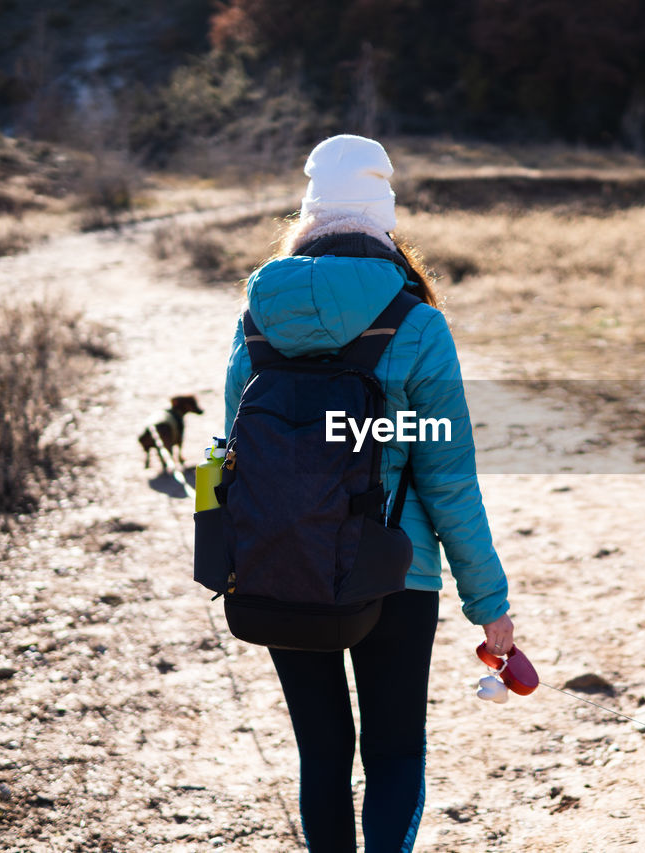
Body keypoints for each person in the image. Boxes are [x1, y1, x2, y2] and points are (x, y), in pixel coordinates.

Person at [222, 134, 515, 852]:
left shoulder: (258, 314)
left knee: (322, 754)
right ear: (384, 217)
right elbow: (448, 477)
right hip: (397, 569)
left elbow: (233, 450)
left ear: (309, 213)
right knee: (392, 753)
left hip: (282, 562)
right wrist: (490, 603)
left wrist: (226, 553)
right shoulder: (417, 322)